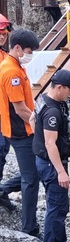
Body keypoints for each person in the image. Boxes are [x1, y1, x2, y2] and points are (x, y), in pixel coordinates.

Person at [33, 70, 70, 242]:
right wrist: (61, 172)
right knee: (56, 207)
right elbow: (49, 143)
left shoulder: (45, 99)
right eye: (69, 90)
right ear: (59, 87)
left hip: (48, 161)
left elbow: (32, 119)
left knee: (61, 206)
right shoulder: (53, 111)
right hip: (51, 164)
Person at [0, 27, 41, 235]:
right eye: (28, 51)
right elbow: (20, 109)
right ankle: (29, 227)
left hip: (22, 129)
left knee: (33, 173)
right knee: (31, 179)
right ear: (17, 48)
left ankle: (3, 189)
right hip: (20, 131)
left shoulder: (14, 65)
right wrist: (39, 127)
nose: (30, 55)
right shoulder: (11, 72)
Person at [0, 14, 20, 212]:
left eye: (4, 33)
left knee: (2, 151)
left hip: (4, 115)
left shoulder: (6, 57)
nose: (2, 36)